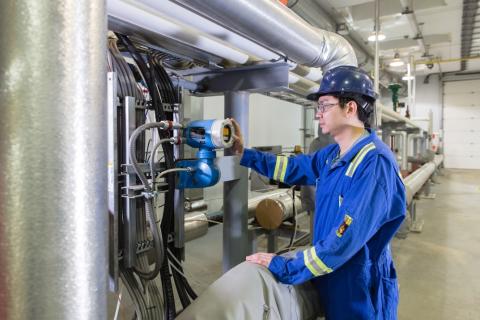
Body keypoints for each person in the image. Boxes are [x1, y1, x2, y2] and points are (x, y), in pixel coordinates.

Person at [230, 65, 406, 319]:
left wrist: (286, 266)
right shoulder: (334, 154)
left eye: (324, 105)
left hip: (359, 286)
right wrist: (243, 153)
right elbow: (291, 168)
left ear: (350, 108)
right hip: (336, 275)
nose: (318, 114)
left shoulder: (374, 163)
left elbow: (343, 241)